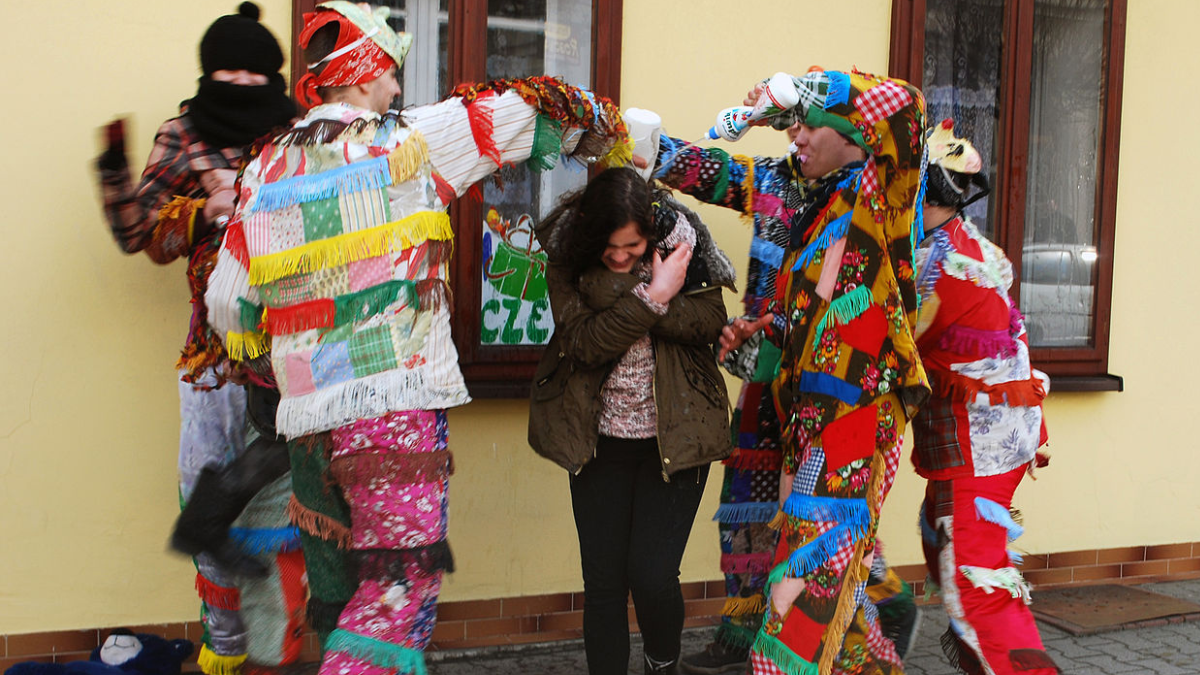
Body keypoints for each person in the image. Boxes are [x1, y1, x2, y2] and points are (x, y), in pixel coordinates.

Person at [202, 3, 633, 674]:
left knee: (345, 591)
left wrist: (278, 354)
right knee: (395, 594)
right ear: (367, 72)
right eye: (390, 75)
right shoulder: (410, 140)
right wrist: (611, 134)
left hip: (311, 422)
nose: (398, 90)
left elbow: (227, 303)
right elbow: (538, 110)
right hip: (392, 413)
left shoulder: (265, 171)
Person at [657, 69, 930, 675]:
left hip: (854, 413)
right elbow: (824, 308)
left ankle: (784, 659)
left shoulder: (879, 191)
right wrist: (768, 333)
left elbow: (906, 108)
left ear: (852, 132)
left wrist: (808, 88)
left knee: (808, 568)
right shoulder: (821, 205)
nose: (794, 135)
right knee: (815, 567)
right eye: (791, 123)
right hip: (805, 408)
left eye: (806, 123)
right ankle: (865, 655)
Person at [94, 5, 301, 674]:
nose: (239, 81)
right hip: (214, 355)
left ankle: (280, 643)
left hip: (294, 345)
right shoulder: (182, 135)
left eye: (253, 71)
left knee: (285, 485)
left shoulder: (298, 134)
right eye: (225, 69)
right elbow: (140, 233)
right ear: (207, 72)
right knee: (203, 479)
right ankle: (226, 637)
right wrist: (193, 207)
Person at [528, 167, 735, 675]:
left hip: (676, 441)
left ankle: (661, 664)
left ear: (650, 232)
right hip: (597, 445)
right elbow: (584, 343)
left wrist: (659, 295)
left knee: (652, 576)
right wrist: (653, 295)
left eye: (633, 245)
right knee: (603, 585)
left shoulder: (685, 249)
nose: (620, 256)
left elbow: (710, 321)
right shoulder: (567, 258)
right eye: (610, 247)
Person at [912, 119, 1058, 675]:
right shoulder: (971, 244)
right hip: (1000, 433)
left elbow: (895, 346)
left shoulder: (934, 264)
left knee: (975, 586)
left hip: (978, 443)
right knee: (938, 535)